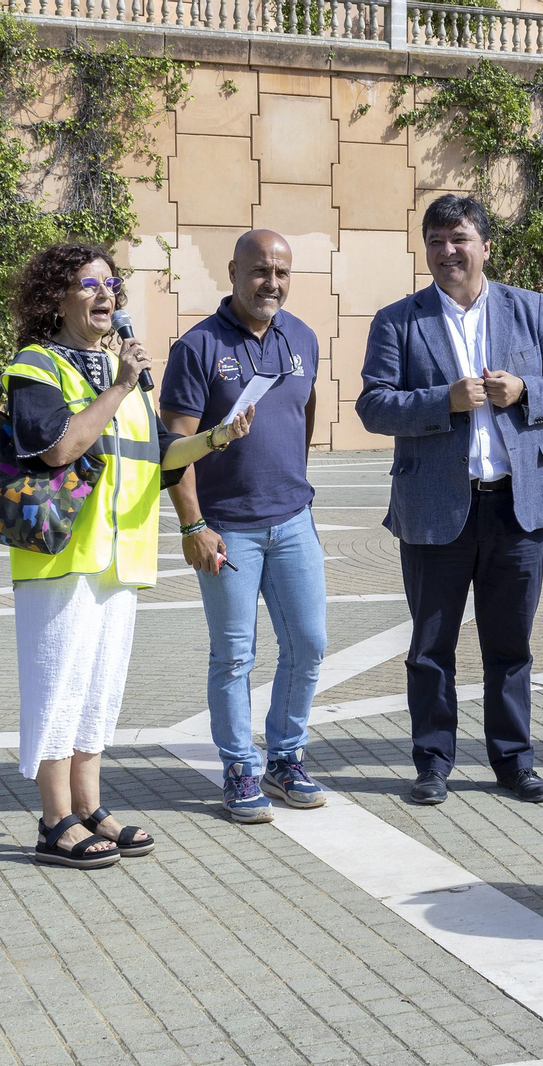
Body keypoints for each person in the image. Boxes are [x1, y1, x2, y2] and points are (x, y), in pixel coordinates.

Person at [4, 243, 252, 865]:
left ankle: (88, 807)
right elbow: (56, 448)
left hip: (122, 555)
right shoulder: (37, 365)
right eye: (89, 285)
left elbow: (160, 455)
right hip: (61, 555)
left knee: (99, 689)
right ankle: (54, 820)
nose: (105, 295)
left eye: (110, 285)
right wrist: (119, 385)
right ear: (57, 297)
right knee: (58, 687)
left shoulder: (127, 373)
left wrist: (215, 437)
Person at [356, 194, 543, 806]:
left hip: (516, 506)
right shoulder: (398, 321)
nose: (447, 251)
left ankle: (514, 761)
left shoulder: (529, 309)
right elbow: (373, 405)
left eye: (458, 238)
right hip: (436, 509)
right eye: (435, 241)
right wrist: (444, 401)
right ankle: (433, 763)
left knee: (510, 645)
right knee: (431, 648)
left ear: (485, 246)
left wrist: (525, 389)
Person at [160, 231, 328, 824]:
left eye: (282, 272)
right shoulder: (198, 347)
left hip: (293, 521)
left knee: (309, 644)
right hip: (227, 529)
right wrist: (193, 525)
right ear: (232, 271)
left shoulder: (302, 337)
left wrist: (289, 482)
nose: (271, 283)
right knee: (234, 656)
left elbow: (304, 414)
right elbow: (173, 448)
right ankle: (239, 767)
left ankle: (286, 757)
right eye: (260, 271)